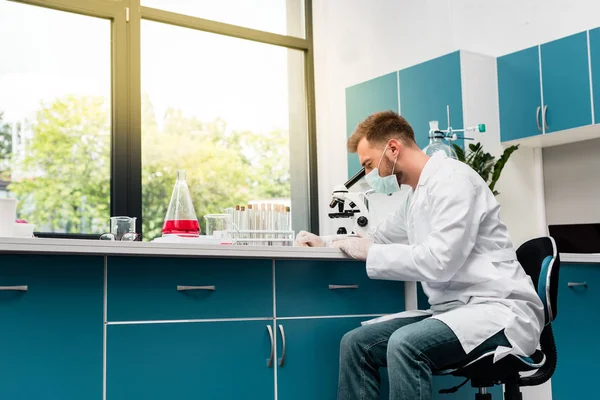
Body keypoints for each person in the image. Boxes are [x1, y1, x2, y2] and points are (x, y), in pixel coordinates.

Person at [294, 111, 544, 400]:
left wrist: (372, 253)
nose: (369, 175)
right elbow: (379, 237)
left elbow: (441, 262)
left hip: (497, 310)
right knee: (356, 344)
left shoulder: (454, 181)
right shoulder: (415, 196)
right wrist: (324, 241)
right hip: (455, 312)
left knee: (405, 344)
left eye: (369, 165)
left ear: (393, 149)